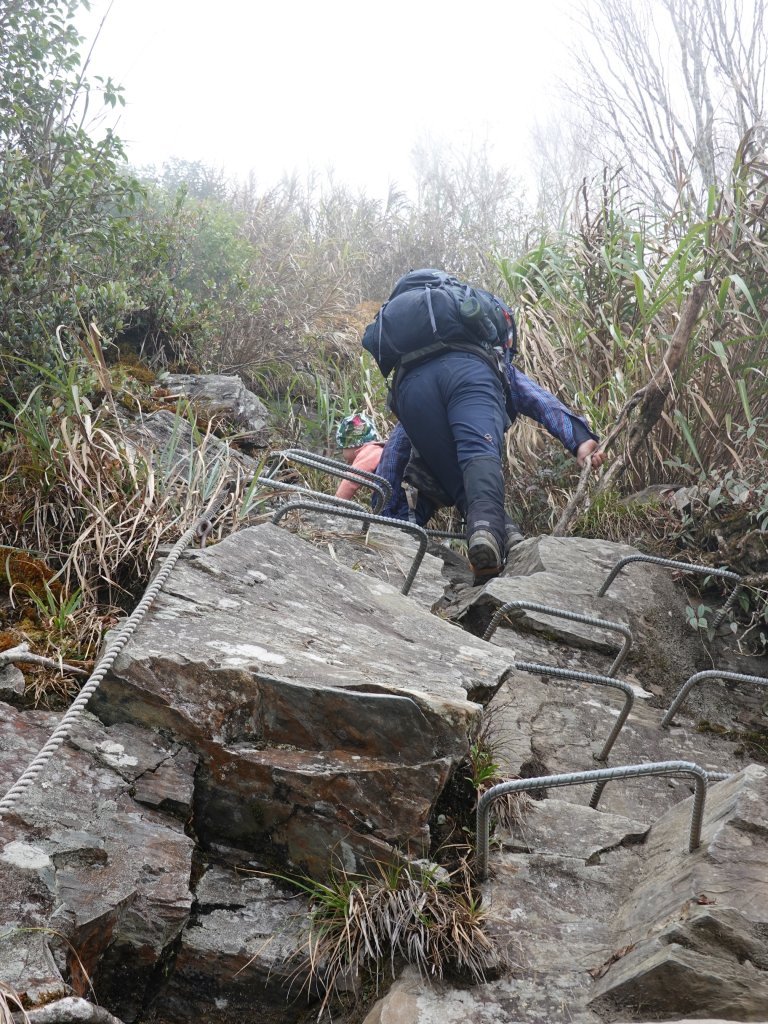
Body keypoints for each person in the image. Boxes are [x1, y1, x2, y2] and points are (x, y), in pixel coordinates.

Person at [376, 277, 605, 583]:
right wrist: (579, 439)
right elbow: (539, 401)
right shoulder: (490, 360)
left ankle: (503, 535)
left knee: (450, 482)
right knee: (477, 452)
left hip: (410, 390)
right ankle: (488, 533)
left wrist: (380, 517)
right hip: (470, 377)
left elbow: (396, 451)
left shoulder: (414, 360)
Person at [333, 412, 385, 502]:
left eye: (342, 448)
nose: (342, 452)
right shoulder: (378, 450)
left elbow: (351, 481)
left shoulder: (369, 452)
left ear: (352, 444)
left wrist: (337, 502)